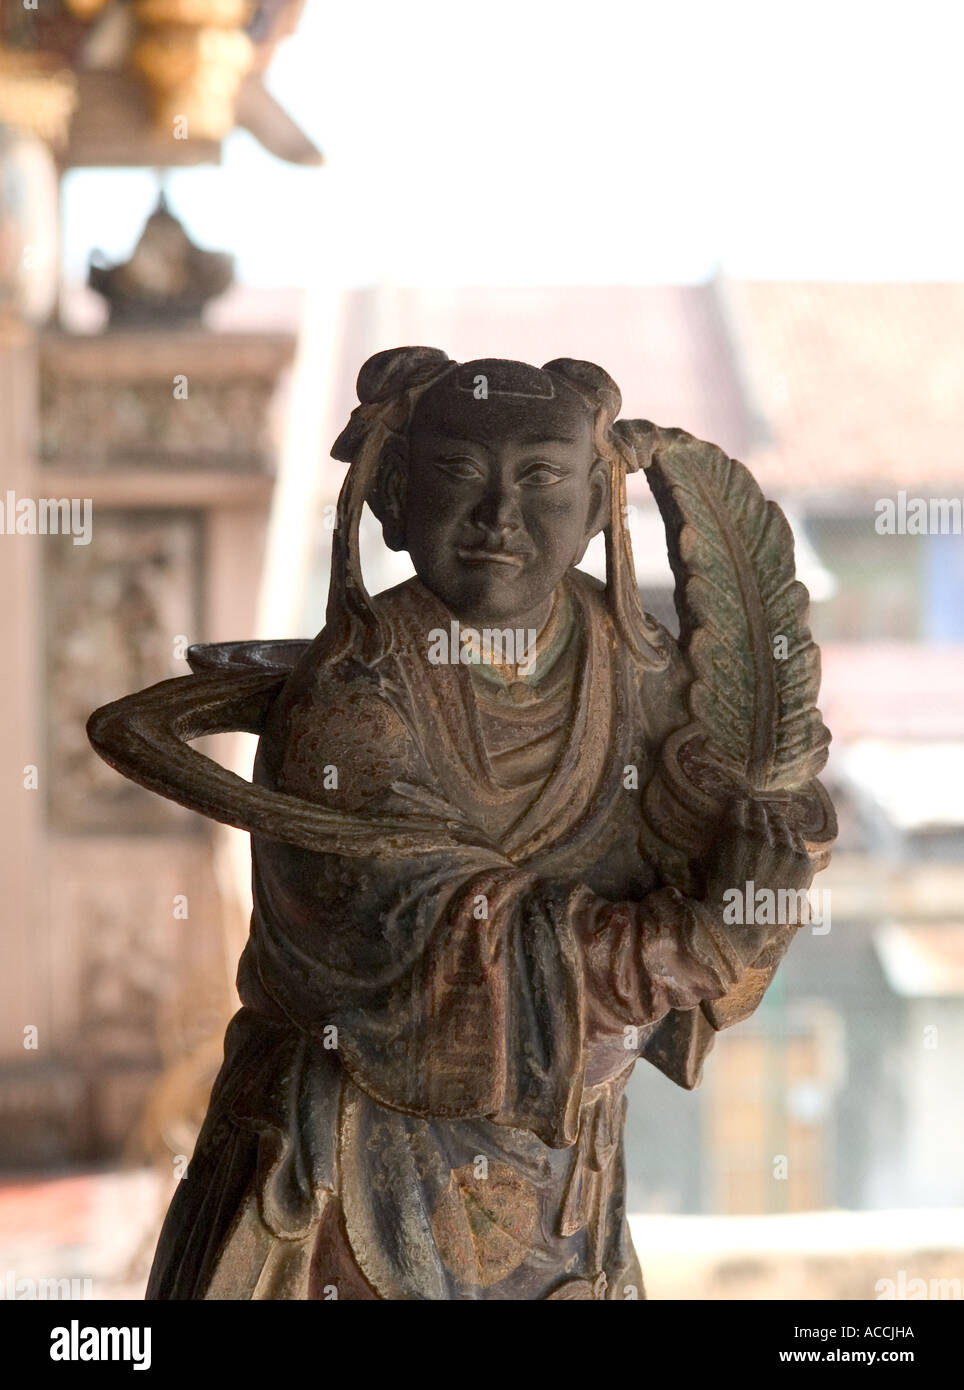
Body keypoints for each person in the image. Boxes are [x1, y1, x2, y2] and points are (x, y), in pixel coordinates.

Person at [91, 348, 820, 1300]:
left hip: (568, 1190)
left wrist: (760, 891)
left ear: (600, 505)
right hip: (353, 1166)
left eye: (544, 477)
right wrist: (685, 946)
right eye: (456, 475)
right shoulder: (354, 695)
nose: (498, 520)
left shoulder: (647, 683)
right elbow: (429, 928)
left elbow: (737, 863)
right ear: (392, 500)